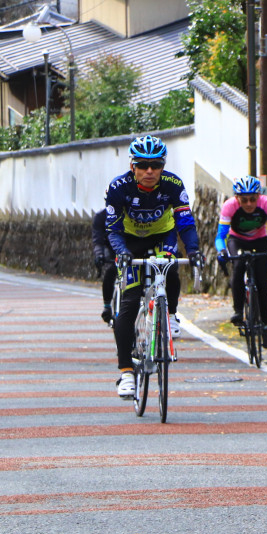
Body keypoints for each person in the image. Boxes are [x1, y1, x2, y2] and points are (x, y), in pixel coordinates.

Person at [102, 135, 202, 399]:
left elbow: (186, 223)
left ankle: (170, 315)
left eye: (156, 165)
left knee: (169, 265)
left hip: (162, 236)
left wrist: (193, 250)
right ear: (133, 166)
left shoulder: (173, 184)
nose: (149, 171)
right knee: (130, 300)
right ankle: (126, 372)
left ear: (162, 166)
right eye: (143, 165)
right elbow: (112, 229)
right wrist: (121, 253)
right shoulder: (118, 187)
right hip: (129, 241)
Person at [215, 175, 267, 349]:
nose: (249, 204)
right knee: (237, 267)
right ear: (237, 198)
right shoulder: (229, 206)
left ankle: (266, 327)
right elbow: (221, 236)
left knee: (262, 282)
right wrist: (221, 251)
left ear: (259, 196)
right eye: (243, 200)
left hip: (260, 240)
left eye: (253, 199)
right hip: (237, 240)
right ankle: (238, 310)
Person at [91, 208, 118, 326]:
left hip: (128, 246)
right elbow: (98, 240)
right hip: (110, 248)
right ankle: (107, 305)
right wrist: (99, 255)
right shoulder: (101, 216)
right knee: (110, 269)